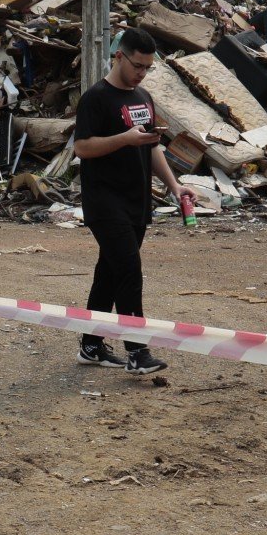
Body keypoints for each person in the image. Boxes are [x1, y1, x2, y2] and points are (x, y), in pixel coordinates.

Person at [72, 26, 194, 375]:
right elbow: (82, 147)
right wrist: (123, 139)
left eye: (147, 68)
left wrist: (175, 186)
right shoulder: (96, 98)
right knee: (129, 271)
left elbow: (152, 146)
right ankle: (138, 353)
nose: (142, 72)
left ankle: (91, 346)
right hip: (104, 201)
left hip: (136, 201)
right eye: (137, 65)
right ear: (119, 56)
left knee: (109, 273)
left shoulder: (143, 97)